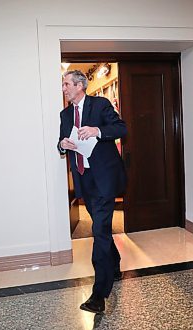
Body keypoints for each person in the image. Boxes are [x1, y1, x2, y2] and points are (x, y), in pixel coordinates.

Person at [58, 70, 127, 314]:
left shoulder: (100, 105)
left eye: (66, 84)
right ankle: (116, 265)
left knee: (99, 230)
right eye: (64, 84)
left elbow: (121, 128)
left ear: (79, 85)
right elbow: (61, 141)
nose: (64, 88)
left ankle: (99, 294)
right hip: (85, 181)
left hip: (105, 179)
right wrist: (62, 145)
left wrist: (97, 131)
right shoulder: (65, 114)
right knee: (102, 226)